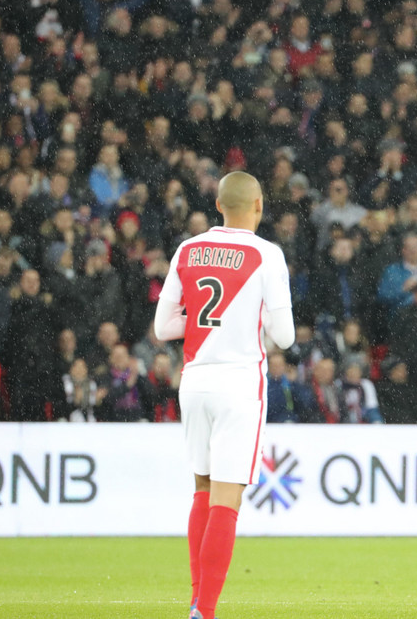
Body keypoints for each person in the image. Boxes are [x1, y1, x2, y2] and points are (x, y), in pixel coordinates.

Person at [154, 171, 295, 619]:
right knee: (227, 500)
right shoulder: (266, 254)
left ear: (218, 205)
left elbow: (164, 328)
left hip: (195, 381)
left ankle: (196, 599)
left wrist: (203, 325)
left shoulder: (188, 249)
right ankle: (205, 611)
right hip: (238, 385)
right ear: (258, 205)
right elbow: (286, 337)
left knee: (202, 487)